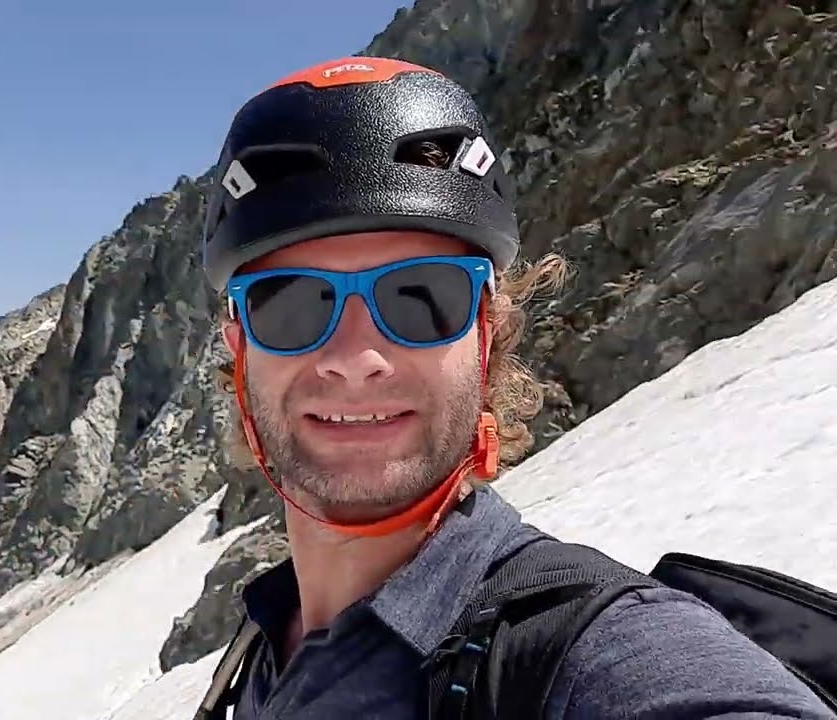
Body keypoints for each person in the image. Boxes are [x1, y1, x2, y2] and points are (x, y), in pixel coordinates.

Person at [198, 56, 833, 719]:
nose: (356, 359)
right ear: (238, 348)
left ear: (487, 330)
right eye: (292, 305)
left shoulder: (588, 654)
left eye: (421, 298)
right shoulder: (262, 646)